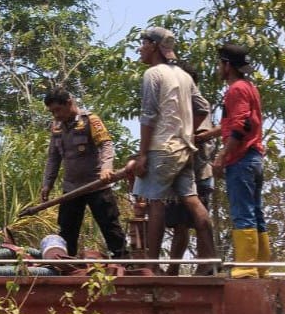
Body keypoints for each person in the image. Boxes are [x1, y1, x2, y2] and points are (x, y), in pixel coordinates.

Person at [133, 27, 216, 275]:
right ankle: (210, 260)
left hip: (161, 148)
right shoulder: (184, 76)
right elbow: (202, 108)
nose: (140, 48)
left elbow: (148, 115)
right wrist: (187, 132)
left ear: (154, 46)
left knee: (155, 203)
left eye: (143, 43)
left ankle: (151, 265)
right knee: (192, 199)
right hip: (184, 148)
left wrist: (142, 154)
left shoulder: (153, 74)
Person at [39, 87, 129, 259]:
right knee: (67, 231)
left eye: (58, 110)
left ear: (69, 103)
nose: (56, 115)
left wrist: (106, 168)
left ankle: (124, 263)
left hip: (96, 185)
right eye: (52, 112)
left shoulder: (90, 120)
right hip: (71, 188)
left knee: (111, 228)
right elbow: (53, 157)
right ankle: (67, 266)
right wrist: (47, 184)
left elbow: (106, 144)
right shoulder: (56, 127)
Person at [212, 43, 269, 279]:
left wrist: (222, 155)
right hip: (254, 157)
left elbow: (241, 125)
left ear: (227, 65)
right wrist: (210, 134)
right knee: (256, 211)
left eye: (220, 63)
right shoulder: (249, 87)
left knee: (242, 211)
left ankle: (246, 266)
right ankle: (262, 267)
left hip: (242, 158)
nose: (218, 68)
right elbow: (242, 121)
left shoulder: (235, 89)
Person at [164, 60, 216, 276]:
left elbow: (201, 135)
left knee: (197, 217)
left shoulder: (196, 103)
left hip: (198, 171)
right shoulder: (177, 102)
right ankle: (173, 269)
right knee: (179, 223)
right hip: (178, 171)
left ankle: (207, 263)